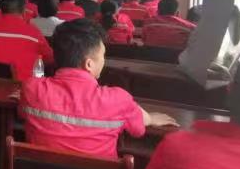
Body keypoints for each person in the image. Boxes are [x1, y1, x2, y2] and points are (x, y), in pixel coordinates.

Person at [20, 19, 177, 157]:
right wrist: (150, 118)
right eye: (103, 55)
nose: (104, 61)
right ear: (89, 64)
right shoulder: (117, 100)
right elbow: (138, 130)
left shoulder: (31, 89)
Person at [0, 0, 53, 80]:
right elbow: (50, 59)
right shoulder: (34, 33)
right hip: (24, 85)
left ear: (0, 9)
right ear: (23, 10)